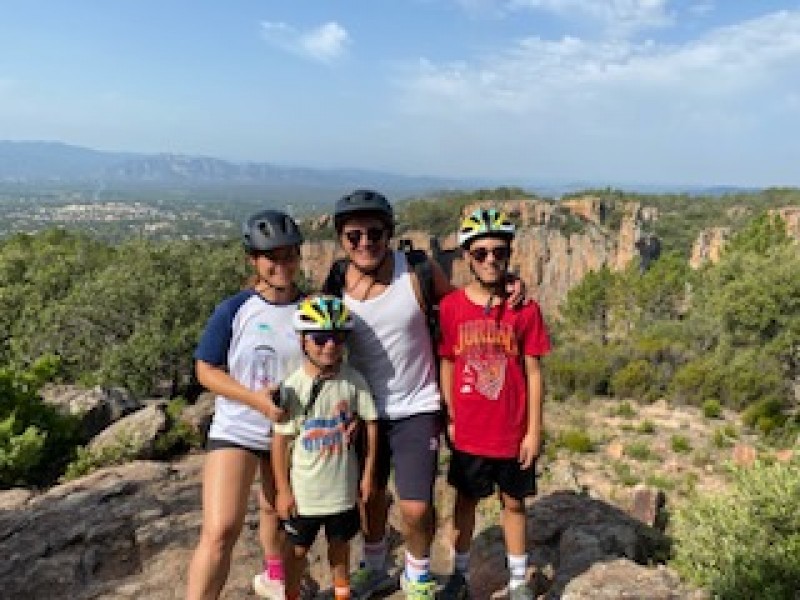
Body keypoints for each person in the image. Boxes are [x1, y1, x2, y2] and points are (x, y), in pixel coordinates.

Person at [323, 190, 526, 600]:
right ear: (342, 240)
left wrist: (505, 284)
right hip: (364, 410)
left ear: (389, 233)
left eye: (375, 233)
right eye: (354, 236)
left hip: (417, 405)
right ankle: (375, 567)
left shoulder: (416, 270)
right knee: (370, 495)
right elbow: (316, 334)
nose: (365, 243)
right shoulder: (335, 281)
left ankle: (416, 574)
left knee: (416, 507)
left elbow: (462, 307)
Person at [186, 210, 304, 600]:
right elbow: (205, 369)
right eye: (272, 256)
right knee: (220, 529)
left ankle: (274, 576)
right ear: (253, 260)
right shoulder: (235, 309)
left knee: (279, 513)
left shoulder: (311, 309)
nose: (282, 264)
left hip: (289, 432)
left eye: (289, 255)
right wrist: (254, 399)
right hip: (238, 428)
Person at [437, 208, 551, 600]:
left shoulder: (525, 309)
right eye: (481, 252)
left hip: (512, 431)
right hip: (469, 430)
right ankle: (459, 574)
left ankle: (518, 580)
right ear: (467, 256)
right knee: (465, 502)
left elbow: (533, 371)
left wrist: (533, 431)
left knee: (514, 504)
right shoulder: (452, 307)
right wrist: (450, 416)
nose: (490, 260)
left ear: (509, 254)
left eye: (499, 252)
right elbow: (447, 361)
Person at [272, 295, 379, 600]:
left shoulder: (353, 381)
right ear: (303, 341)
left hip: (342, 489)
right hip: (305, 492)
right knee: (297, 549)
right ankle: (291, 594)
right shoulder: (293, 386)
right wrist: (283, 490)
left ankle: (341, 593)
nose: (329, 346)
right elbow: (280, 441)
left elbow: (371, 424)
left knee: (340, 545)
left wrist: (368, 475)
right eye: (319, 339)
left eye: (338, 338)